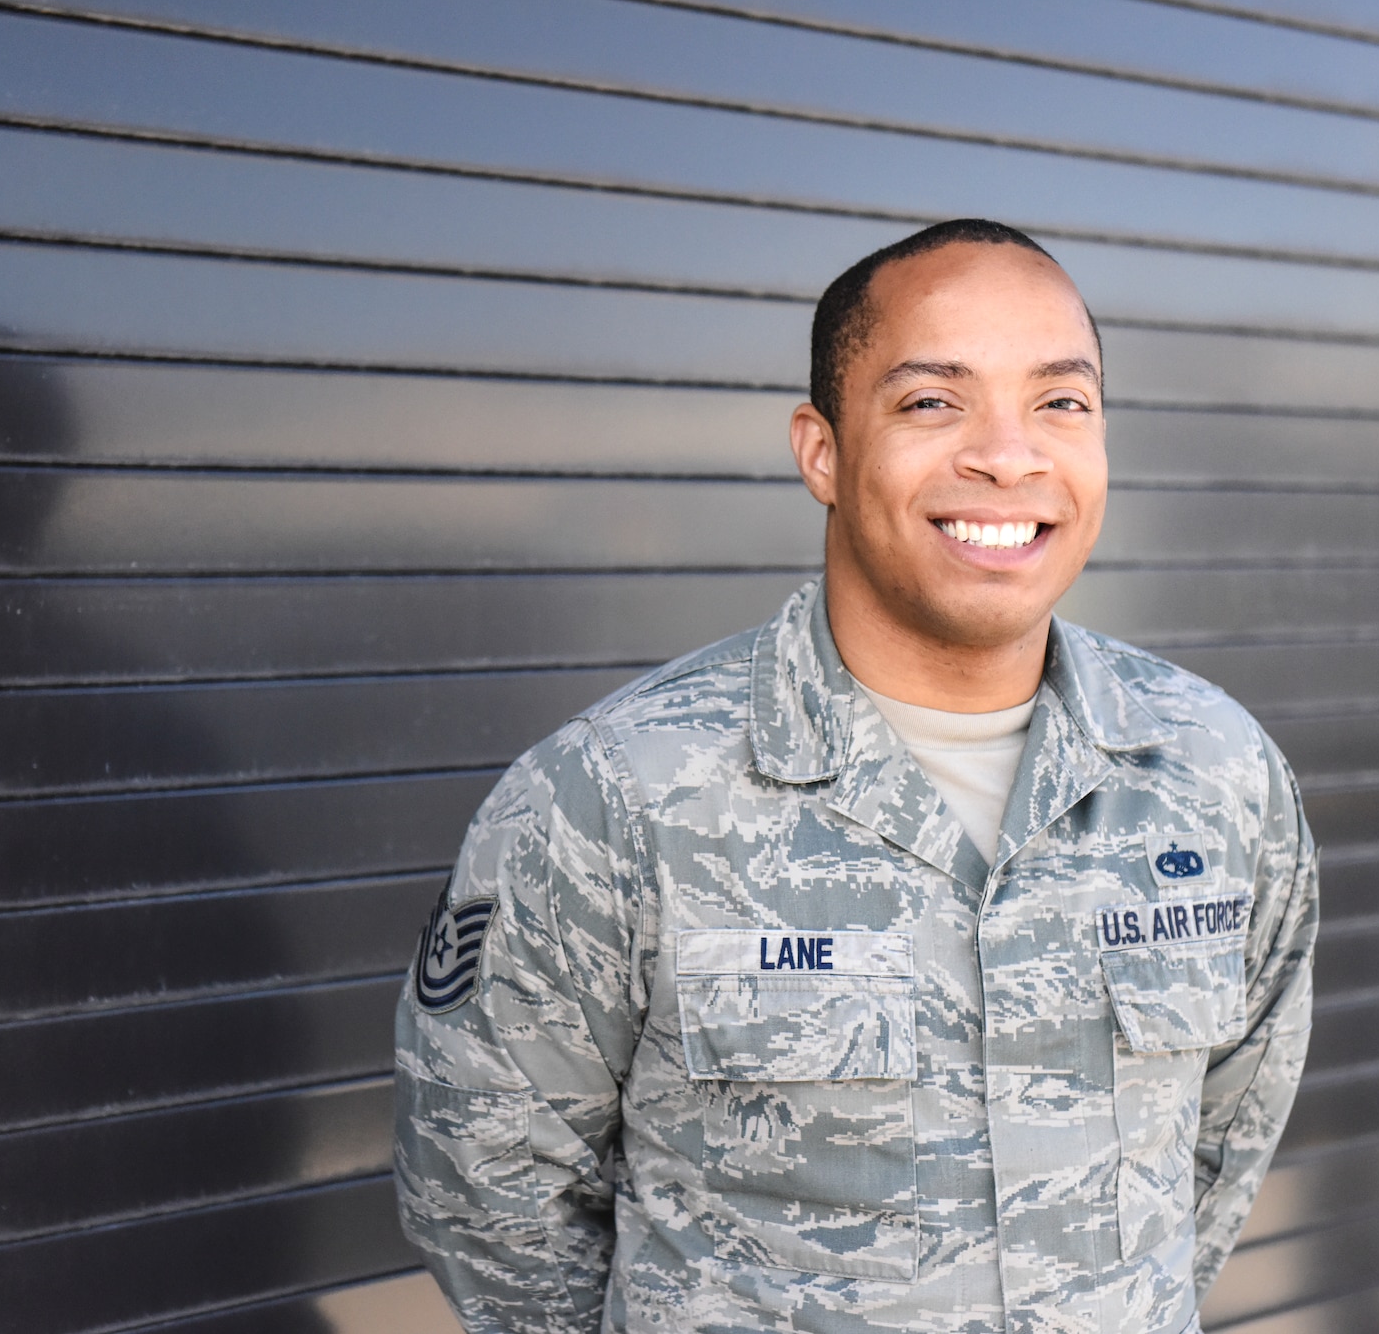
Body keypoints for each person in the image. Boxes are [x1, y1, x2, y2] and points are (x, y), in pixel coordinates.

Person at [394, 218, 1318, 1334]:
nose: (1006, 455)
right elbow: (483, 1187)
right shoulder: (617, 797)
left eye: (1058, 402)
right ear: (821, 450)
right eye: (932, 401)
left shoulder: (1216, 777)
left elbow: (1212, 1164)